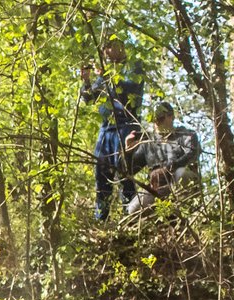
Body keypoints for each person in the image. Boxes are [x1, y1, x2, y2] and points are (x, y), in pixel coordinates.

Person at [81, 35, 146, 220]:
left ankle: (131, 216)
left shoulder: (133, 66)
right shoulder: (105, 73)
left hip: (127, 125)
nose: (108, 51)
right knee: (102, 171)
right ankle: (101, 218)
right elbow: (89, 97)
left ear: (121, 47)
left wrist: (107, 75)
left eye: (111, 46)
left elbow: (131, 89)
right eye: (105, 48)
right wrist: (86, 81)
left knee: (125, 170)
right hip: (106, 129)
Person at [125, 102, 201, 214]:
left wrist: (171, 167)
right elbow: (129, 170)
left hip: (178, 182)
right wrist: (128, 151)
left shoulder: (186, 134)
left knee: (182, 173)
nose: (157, 123)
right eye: (154, 119)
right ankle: (164, 219)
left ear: (171, 116)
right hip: (158, 189)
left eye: (160, 118)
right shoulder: (149, 142)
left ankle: (186, 213)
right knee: (133, 210)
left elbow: (192, 153)